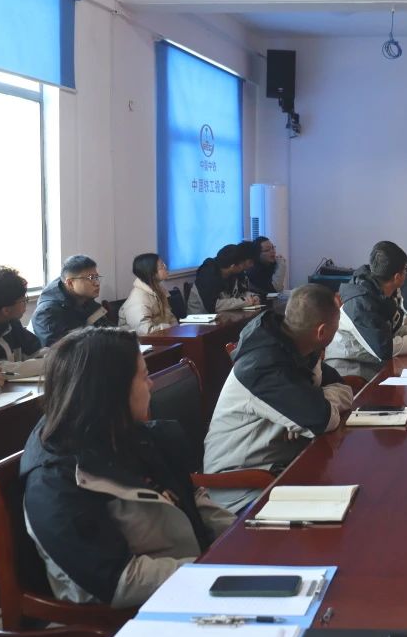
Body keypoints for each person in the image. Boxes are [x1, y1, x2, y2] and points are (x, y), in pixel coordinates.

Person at [20, 328, 236, 608]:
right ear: (111, 391)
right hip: (140, 609)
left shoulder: (125, 433)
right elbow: (120, 581)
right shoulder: (54, 480)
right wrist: (215, 569)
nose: (152, 385)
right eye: (144, 376)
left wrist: (242, 539)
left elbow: (192, 498)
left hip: (192, 578)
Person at [203, 284, 354, 512]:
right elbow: (325, 420)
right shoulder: (264, 365)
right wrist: (310, 408)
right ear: (322, 332)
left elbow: (343, 390)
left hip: (281, 468)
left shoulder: (298, 348)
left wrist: (308, 406)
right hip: (242, 489)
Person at [326, 241, 407, 377]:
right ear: (397, 277)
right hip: (350, 372)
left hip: (373, 363)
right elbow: (386, 348)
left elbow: (397, 326)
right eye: (406, 269)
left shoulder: (382, 291)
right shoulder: (360, 303)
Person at [31, 256, 111, 348]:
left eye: (96, 277)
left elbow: (109, 333)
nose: (97, 283)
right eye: (91, 278)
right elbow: (60, 353)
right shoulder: (47, 313)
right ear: (70, 283)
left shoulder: (86, 300)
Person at [0, 267, 43, 377]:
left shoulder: (12, 323)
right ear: (6, 310)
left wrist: (56, 356)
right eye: (23, 300)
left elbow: (36, 350)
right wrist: (52, 363)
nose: (26, 303)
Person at [187, 244, 259, 314]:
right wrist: (246, 301)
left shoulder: (234, 274)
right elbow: (213, 306)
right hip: (201, 318)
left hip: (225, 315)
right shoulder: (208, 274)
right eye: (242, 264)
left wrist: (253, 296)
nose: (243, 267)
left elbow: (241, 292)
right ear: (233, 266)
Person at [118, 253, 178, 335]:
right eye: (162, 265)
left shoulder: (159, 290)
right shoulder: (138, 300)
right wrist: (170, 328)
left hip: (163, 338)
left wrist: (177, 330)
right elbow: (145, 333)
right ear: (151, 272)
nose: (165, 267)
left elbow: (170, 317)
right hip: (139, 341)